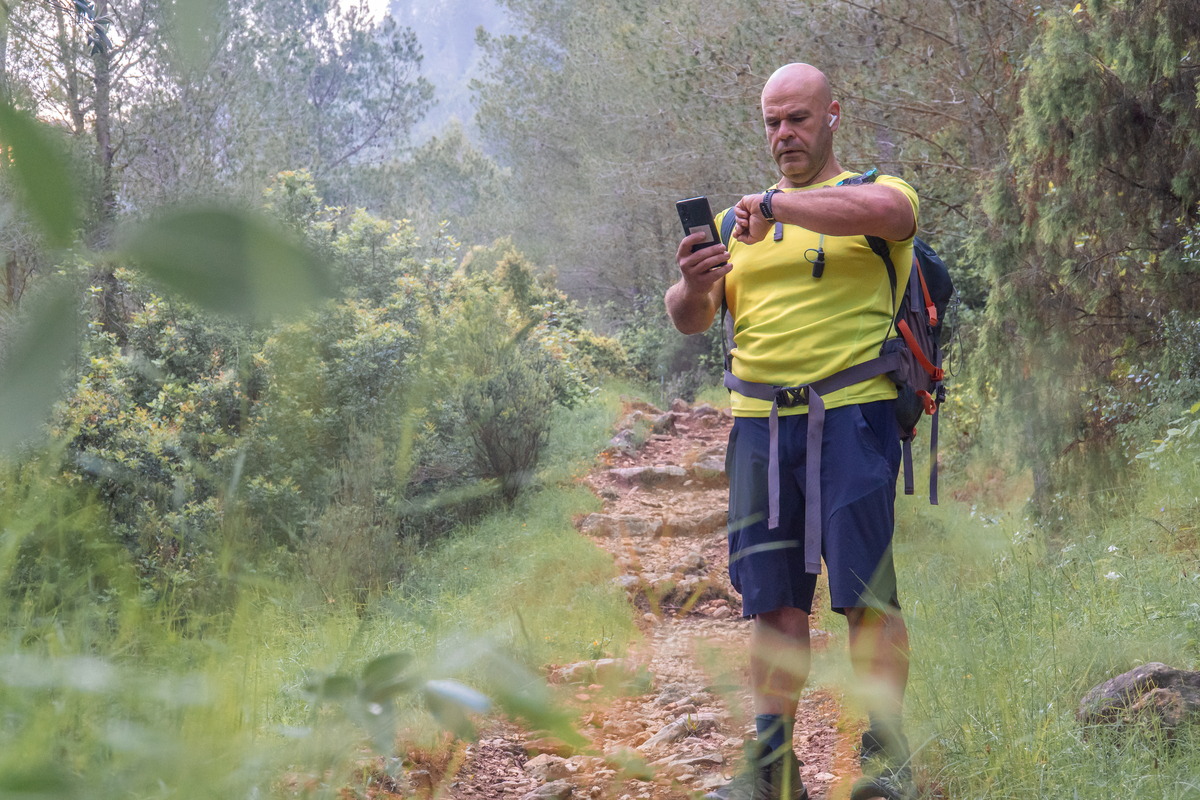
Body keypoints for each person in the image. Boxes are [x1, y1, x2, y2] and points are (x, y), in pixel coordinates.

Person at [664, 63, 920, 800]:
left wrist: (782, 207)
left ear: (833, 115)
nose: (784, 134)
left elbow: (892, 218)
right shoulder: (735, 226)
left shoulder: (876, 196)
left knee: (866, 597)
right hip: (757, 429)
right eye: (773, 122)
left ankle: (888, 756)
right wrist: (696, 280)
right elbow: (688, 318)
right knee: (773, 604)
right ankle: (774, 768)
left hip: (853, 418)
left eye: (799, 118)